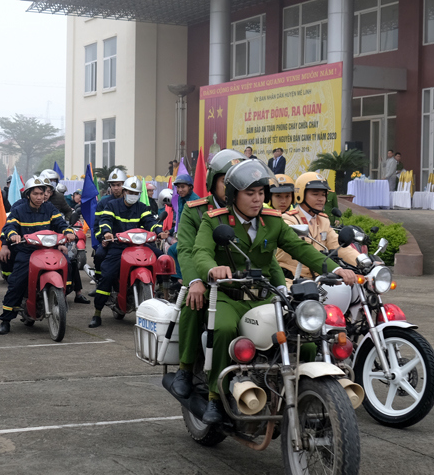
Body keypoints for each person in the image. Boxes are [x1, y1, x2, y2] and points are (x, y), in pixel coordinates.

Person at [190, 159, 357, 422]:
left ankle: (305, 392)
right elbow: (200, 253)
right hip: (228, 296)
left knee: (304, 334)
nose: (257, 200)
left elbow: (301, 248)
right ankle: (214, 397)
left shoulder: (274, 221)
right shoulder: (215, 221)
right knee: (222, 330)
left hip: (264, 296)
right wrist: (213, 269)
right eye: (250, 193)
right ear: (234, 195)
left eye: (260, 193)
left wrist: (335, 269)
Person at [170, 148, 244, 397]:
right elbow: (187, 250)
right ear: (213, 183)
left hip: (242, 282)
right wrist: (195, 281)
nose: (234, 186)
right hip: (206, 279)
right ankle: (185, 367)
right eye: (227, 181)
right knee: (194, 301)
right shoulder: (196, 210)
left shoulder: (247, 210)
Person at [0, 176, 75, 335]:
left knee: (68, 264)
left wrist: (68, 232)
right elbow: (9, 226)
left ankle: (61, 295)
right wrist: (13, 235)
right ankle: (6, 319)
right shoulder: (19, 210)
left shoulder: (50, 208)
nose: (40, 197)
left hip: (48, 249)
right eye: (36, 194)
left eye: (42, 193)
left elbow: (60, 223)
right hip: (27, 251)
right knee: (17, 282)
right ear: (28, 195)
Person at [88, 176, 162, 328]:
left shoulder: (142, 207)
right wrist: (107, 232)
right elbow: (105, 221)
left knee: (163, 259)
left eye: (136, 193)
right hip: (118, 246)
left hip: (139, 245)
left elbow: (150, 222)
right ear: (124, 191)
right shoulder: (111, 205)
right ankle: (97, 312)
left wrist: (159, 231)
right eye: (130, 192)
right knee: (107, 275)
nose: (132, 195)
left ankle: (164, 296)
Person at [277, 172, 358, 280]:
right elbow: (303, 250)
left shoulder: (323, 220)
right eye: (315, 194)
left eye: (323, 195)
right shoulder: (288, 220)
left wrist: (364, 261)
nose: (321, 199)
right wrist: (336, 269)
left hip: (318, 281)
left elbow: (337, 245)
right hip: (291, 282)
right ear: (301, 194)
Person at [88, 168, 127, 291]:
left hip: (129, 241)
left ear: (124, 185)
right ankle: (101, 283)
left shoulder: (132, 202)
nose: (116, 188)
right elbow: (97, 225)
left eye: (119, 185)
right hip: (109, 242)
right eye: (113, 185)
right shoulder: (103, 203)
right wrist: (102, 239)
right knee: (99, 255)